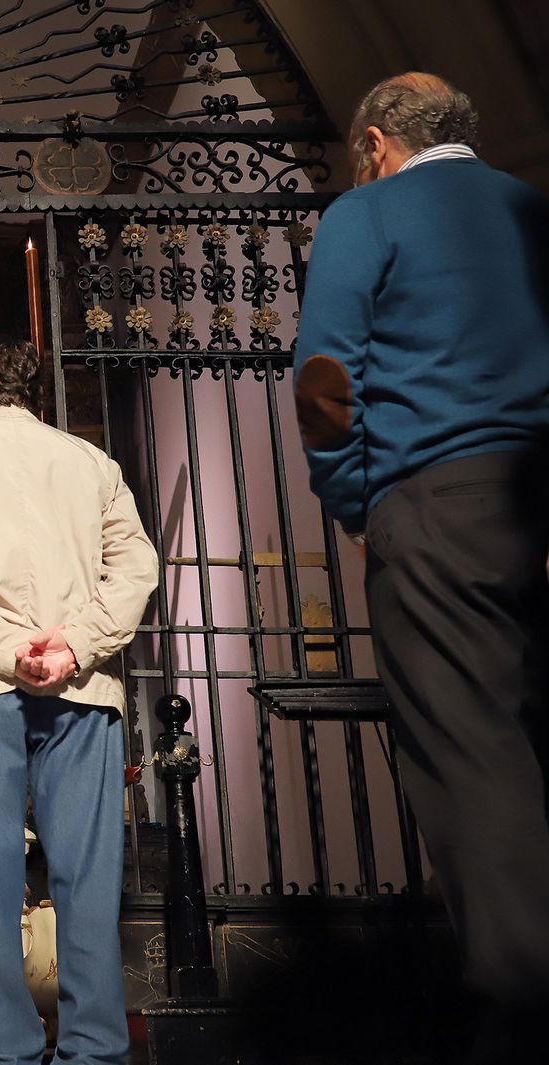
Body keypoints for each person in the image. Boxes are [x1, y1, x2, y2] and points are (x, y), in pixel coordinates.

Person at [293, 72, 549, 1060]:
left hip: (435, 503)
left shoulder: (367, 214)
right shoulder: (531, 211)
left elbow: (325, 379)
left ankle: (521, 1012)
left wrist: (357, 501)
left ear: (370, 144)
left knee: (470, 755)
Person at [0, 340, 158, 1065]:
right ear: (36, 396)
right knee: (88, 879)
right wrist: (73, 644)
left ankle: (4, 1055)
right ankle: (96, 1051)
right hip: (82, 685)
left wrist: (4, 647)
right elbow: (137, 565)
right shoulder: (91, 463)